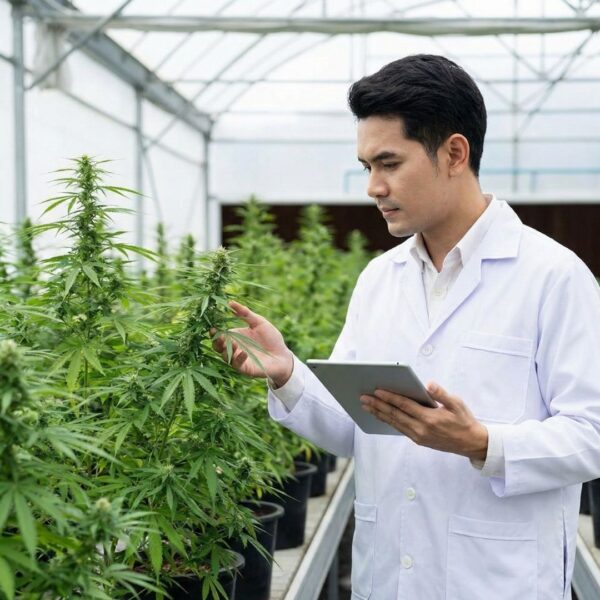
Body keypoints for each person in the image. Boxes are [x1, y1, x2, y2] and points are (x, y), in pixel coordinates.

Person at [212, 54, 600, 599]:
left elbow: (592, 435)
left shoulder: (554, 277)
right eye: (366, 165)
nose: (372, 186)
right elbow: (355, 428)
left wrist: (483, 442)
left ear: (454, 153)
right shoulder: (379, 280)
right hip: (388, 578)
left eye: (388, 163)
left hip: (499, 581)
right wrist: (287, 374)